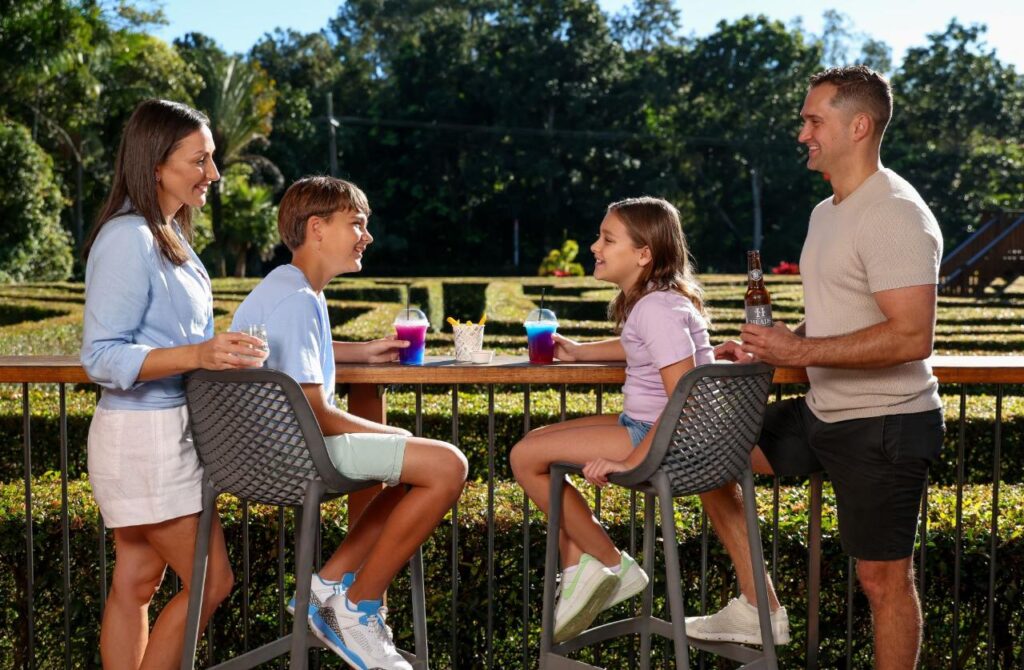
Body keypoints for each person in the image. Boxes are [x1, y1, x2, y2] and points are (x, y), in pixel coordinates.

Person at [688, 66, 944, 669]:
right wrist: (773, 346)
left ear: (858, 125)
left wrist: (799, 353)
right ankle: (760, 606)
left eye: (812, 120)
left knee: (884, 583)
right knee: (702, 452)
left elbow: (911, 336)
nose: (802, 132)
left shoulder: (896, 213)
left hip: (885, 424)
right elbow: (835, 321)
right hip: (822, 412)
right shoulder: (826, 212)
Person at [508, 196, 776, 644]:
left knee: (524, 457)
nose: (595, 246)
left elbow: (685, 399)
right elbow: (645, 350)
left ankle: (607, 562)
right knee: (537, 442)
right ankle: (581, 570)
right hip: (654, 426)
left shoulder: (655, 309)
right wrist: (579, 351)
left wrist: (633, 460)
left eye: (607, 239)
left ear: (644, 253)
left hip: (659, 438)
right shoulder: (659, 303)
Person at [231, 176, 468, 670]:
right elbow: (316, 411)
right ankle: (356, 609)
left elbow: (291, 355)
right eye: (356, 224)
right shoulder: (298, 300)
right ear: (317, 228)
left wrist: (357, 352)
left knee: (413, 472)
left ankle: (323, 588)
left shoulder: (287, 288)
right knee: (446, 466)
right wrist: (393, 434)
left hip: (268, 448)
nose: (367, 235)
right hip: (297, 452)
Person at [81, 99, 268, 669]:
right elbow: (101, 356)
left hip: (161, 431)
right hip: (144, 439)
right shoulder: (128, 238)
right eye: (200, 159)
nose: (213, 173)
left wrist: (218, 354)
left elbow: (180, 343)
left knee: (137, 581)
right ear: (156, 164)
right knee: (211, 582)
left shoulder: (167, 235)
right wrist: (200, 352)